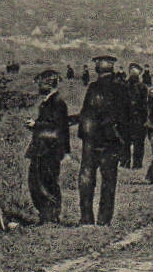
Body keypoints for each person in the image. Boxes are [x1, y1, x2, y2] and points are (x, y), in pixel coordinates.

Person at [77, 55, 125, 225]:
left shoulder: (94, 87)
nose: (96, 64)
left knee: (86, 177)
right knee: (108, 180)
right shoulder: (120, 88)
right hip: (110, 139)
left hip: (93, 139)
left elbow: (87, 112)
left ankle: (86, 218)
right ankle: (104, 219)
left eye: (98, 63)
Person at [25, 68, 71, 224]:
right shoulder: (49, 102)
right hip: (42, 148)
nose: (38, 87)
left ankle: (51, 217)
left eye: (41, 84)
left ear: (49, 84)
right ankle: (46, 215)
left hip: (49, 149)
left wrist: (36, 125)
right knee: (37, 182)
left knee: (47, 182)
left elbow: (58, 128)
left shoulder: (57, 103)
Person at [120, 63, 148, 168]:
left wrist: (144, 118)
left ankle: (137, 164)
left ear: (139, 74)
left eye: (136, 72)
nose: (133, 74)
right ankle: (125, 162)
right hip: (125, 118)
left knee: (138, 142)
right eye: (132, 71)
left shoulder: (143, 87)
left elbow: (145, 104)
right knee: (125, 141)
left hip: (138, 118)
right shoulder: (123, 86)